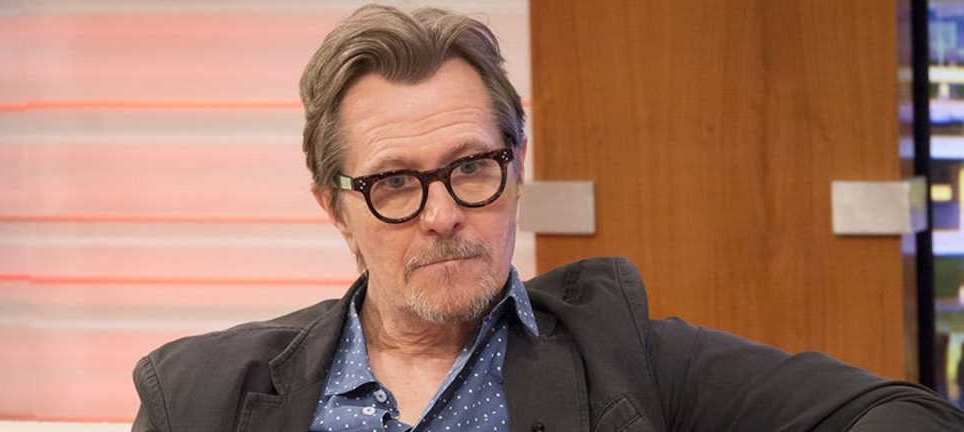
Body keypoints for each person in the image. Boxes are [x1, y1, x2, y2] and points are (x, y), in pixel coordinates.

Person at [130, 5, 964, 431]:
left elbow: (907, 414)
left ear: (517, 166)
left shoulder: (622, 354)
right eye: (395, 183)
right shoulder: (202, 393)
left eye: (471, 168)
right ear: (335, 208)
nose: (443, 216)